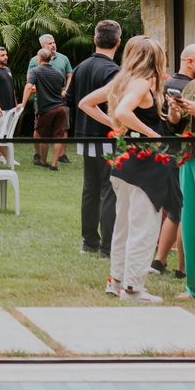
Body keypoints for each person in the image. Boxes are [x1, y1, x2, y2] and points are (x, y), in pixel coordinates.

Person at [79, 35, 172, 303]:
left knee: (124, 225)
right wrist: (151, 134)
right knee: (144, 227)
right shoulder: (144, 82)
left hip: (124, 163)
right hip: (144, 166)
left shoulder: (122, 80)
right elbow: (123, 110)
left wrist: (117, 126)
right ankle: (133, 288)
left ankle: (116, 280)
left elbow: (86, 103)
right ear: (155, 58)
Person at [166, 35, 195, 300]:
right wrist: (174, 112)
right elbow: (178, 124)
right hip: (189, 160)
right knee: (192, 225)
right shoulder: (193, 86)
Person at [70, 20, 122, 257]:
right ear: (118, 43)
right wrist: (114, 124)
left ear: (95, 40)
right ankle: (107, 248)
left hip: (83, 135)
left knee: (90, 189)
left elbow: (70, 98)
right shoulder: (113, 71)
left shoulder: (80, 67)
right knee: (108, 189)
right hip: (106, 137)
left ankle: (90, 241)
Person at [154, 43, 195, 277]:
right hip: (182, 153)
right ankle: (182, 268)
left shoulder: (165, 84)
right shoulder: (191, 88)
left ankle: (159, 261)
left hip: (164, 151)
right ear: (190, 61)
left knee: (173, 210)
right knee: (182, 211)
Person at [27, 34, 74, 165]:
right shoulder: (35, 60)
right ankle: (38, 155)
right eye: (50, 43)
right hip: (42, 100)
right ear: (43, 46)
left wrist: (65, 90)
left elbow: (70, 76)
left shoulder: (63, 58)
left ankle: (62, 155)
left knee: (64, 128)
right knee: (38, 128)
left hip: (61, 99)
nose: (53, 45)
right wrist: (42, 89)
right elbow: (29, 80)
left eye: (54, 42)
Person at [23, 47, 68, 170]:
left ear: (39, 58)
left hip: (47, 109)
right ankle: (54, 164)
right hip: (61, 108)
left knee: (44, 136)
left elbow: (28, 87)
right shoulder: (58, 73)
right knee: (59, 136)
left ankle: (43, 161)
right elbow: (61, 91)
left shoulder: (36, 71)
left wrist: (22, 104)